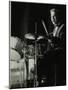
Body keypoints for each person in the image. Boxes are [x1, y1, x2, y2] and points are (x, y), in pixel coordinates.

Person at [38, 8, 66, 86]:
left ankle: (44, 79)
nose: (52, 19)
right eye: (51, 17)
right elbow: (52, 38)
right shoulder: (55, 28)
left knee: (46, 55)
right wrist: (44, 37)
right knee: (41, 57)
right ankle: (42, 78)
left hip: (62, 52)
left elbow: (62, 41)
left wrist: (49, 38)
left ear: (59, 16)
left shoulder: (63, 27)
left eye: (54, 16)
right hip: (56, 52)